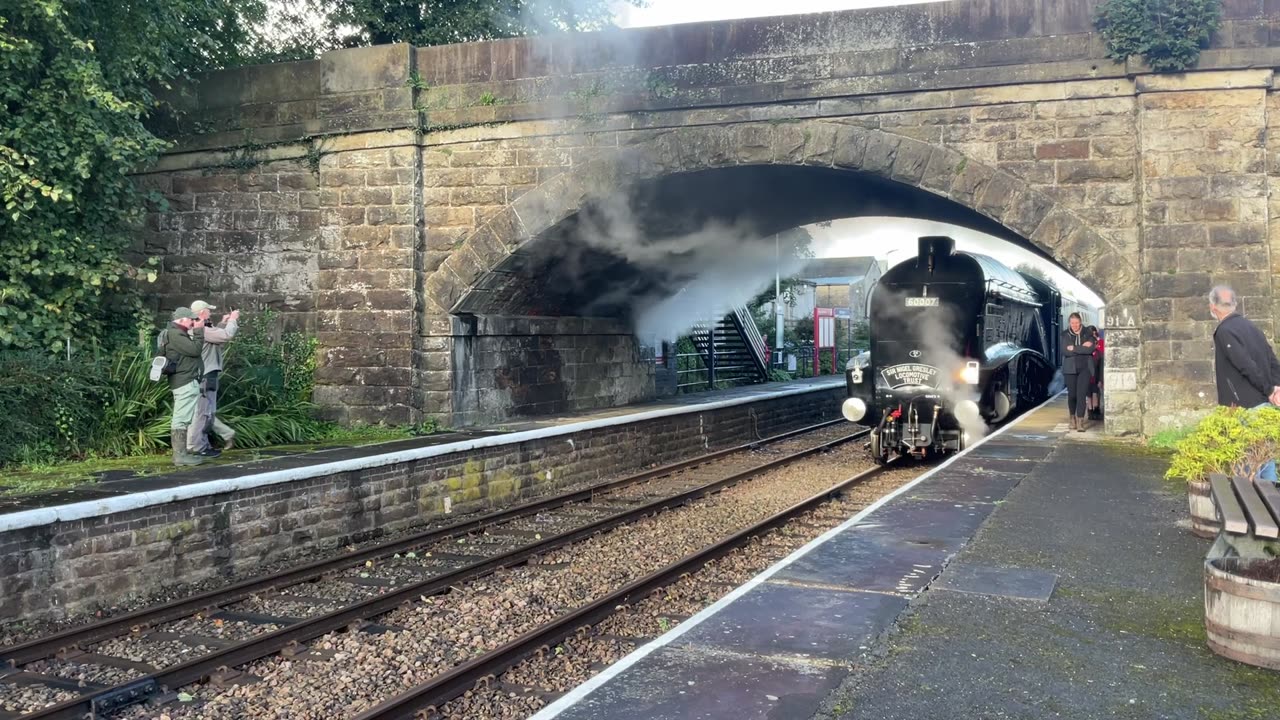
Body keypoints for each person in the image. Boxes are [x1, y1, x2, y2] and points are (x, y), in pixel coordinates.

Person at [1209, 285, 1280, 481]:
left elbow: (1245, 365)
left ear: (1213, 307)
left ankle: (1251, 510)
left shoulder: (1225, 331)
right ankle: (1273, 506)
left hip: (1244, 405)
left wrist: (1268, 389)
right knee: (1265, 459)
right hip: (1262, 404)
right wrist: (1275, 388)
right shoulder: (1252, 328)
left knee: (1246, 465)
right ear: (1234, 304)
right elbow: (1272, 360)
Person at [188, 300, 239, 457]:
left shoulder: (201, 329)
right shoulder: (201, 329)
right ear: (202, 312)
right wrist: (232, 320)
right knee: (201, 412)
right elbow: (226, 336)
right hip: (204, 374)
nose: (210, 312)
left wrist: (222, 323)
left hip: (207, 373)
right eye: (208, 310)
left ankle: (202, 444)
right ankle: (195, 446)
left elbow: (217, 338)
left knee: (206, 412)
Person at [158, 307, 206, 466]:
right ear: (181, 320)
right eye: (191, 319)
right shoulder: (176, 334)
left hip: (183, 380)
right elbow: (195, 350)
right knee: (181, 418)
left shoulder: (172, 333)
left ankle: (181, 454)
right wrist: (199, 332)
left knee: (183, 417)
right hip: (185, 381)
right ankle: (180, 456)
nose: (193, 322)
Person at [1062, 312, 1095, 432]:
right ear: (1069, 323)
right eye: (1072, 323)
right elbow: (1065, 351)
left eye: (1076, 323)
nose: (1074, 325)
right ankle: (1072, 418)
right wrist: (1083, 348)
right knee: (1072, 395)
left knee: (1081, 395)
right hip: (1070, 369)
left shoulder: (1088, 333)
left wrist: (1075, 348)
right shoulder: (1064, 335)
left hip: (1085, 368)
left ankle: (1080, 421)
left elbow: (1091, 349)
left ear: (1080, 322)